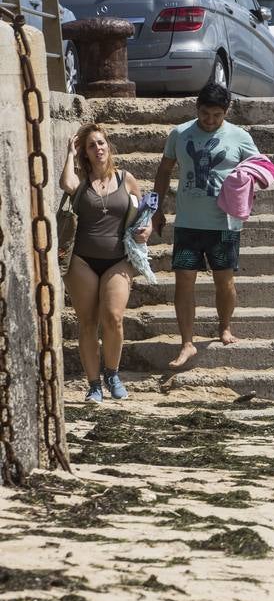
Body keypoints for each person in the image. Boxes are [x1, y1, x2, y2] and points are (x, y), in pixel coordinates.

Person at [151, 83, 259, 368]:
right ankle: (187, 343)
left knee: (224, 280)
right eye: (204, 114)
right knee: (183, 280)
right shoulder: (180, 133)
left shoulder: (239, 137)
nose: (209, 121)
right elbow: (163, 171)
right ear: (196, 108)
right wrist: (156, 208)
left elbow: (263, 170)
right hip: (188, 224)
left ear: (226, 112)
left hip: (224, 224)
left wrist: (244, 185)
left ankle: (224, 327)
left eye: (216, 115)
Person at [59, 123, 151, 402]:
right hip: (82, 261)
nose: (98, 149)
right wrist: (69, 154)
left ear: (108, 146)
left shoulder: (126, 178)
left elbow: (143, 213)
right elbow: (66, 184)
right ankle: (93, 385)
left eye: (101, 143)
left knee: (113, 318)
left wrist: (145, 230)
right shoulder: (81, 182)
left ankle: (112, 373)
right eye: (91, 146)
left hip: (119, 260)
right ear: (84, 153)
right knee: (87, 323)